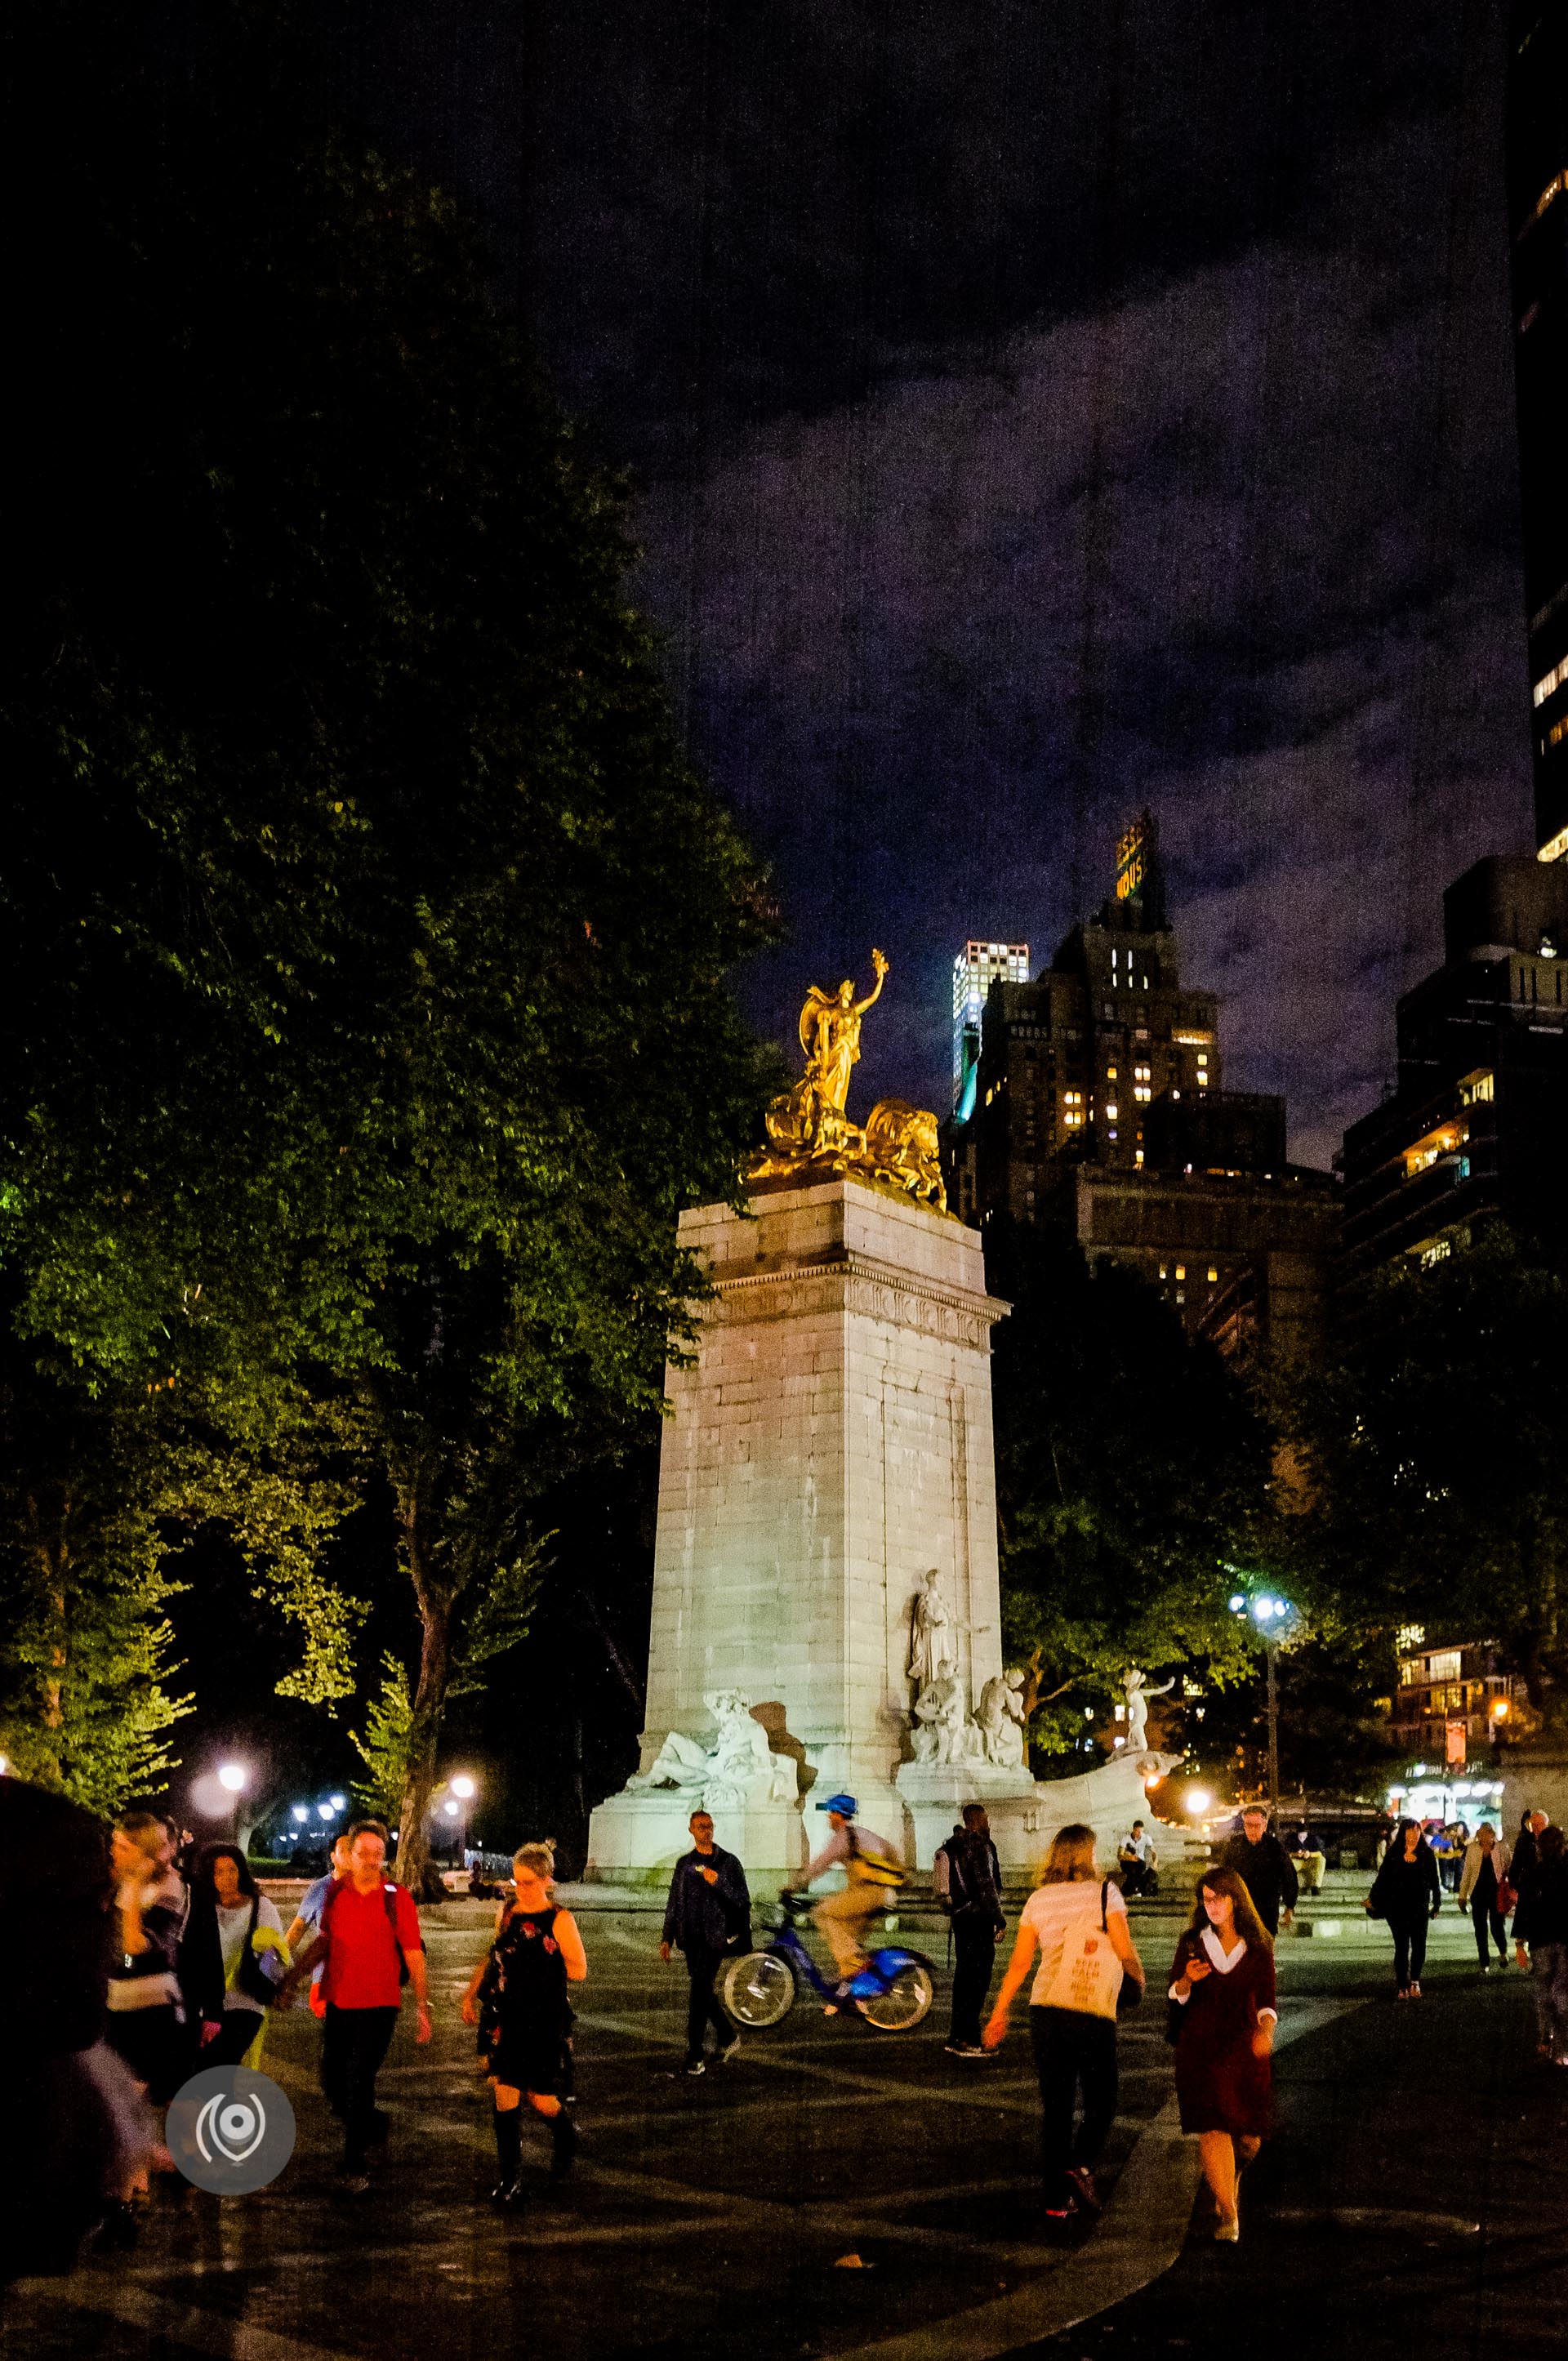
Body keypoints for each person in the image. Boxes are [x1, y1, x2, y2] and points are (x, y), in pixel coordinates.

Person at [982, 1823, 1146, 2225]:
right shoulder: (1106, 1892)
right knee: (1102, 2099)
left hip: (1047, 2007)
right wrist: (1138, 1977)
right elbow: (1123, 1948)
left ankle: (1056, 2201)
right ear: (1086, 1855)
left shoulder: (1038, 1900)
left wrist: (999, 2011)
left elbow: (1021, 1962)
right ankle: (1082, 2164)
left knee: (1056, 2110)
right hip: (1089, 2007)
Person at [277, 1818, 430, 2194]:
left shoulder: (397, 1896)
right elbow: (323, 1941)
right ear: (350, 1854)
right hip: (339, 2000)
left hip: (380, 2004)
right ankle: (372, 2124)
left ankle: (354, 2163)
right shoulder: (335, 1892)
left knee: (360, 2079)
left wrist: (423, 2007)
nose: (372, 1861)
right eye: (364, 1854)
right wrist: (293, 1977)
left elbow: (413, 1952)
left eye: (378, 1854)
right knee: (332, 2080)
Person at [462, 1842, 587, 2201]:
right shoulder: (508, 1913)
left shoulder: (560, 1919)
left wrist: (542, 1969)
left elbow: (579, 1970)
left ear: (547, 1880)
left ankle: (565, 2136)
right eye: (517, 1882)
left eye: (529, 1882)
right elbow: (493, 1956)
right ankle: (510, 2178)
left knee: (541, 2097)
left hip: (543, 2020)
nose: (522, 1889)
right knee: (505, 2095)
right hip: (505, 2017)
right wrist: (470, 1994)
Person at [1168, 1868, 1276, 2243]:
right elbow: (1175, 1992)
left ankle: (1232, 2175)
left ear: (1236, 1900)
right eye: (1206, 1899)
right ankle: (1228, 2213)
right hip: (1200, 2048)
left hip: (1243, 2050)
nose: (1212, 1906)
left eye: (1219, 1898)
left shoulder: (1259, 1947)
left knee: (1249, 2138)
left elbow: (1267, 2001)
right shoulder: (1193, 1943)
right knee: (1212, 2126)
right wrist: (1186, 1982)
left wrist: (1266, 2031)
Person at [105, 1811, 191, 2109]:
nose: (114, 1851)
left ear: (147, 1853)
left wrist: (133, 1886)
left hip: (150, 2006)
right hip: (119, 2001)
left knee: (128, 2102)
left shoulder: (168, 1887)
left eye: (124, 1847)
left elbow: (134, 1945)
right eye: (114, 1843)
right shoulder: (119, 1881)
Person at [180, 1845, 290, 2069]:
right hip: (209, 2004)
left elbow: (278, 1952)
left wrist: (282, 1982)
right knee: (206, 2070)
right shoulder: (199, 1909)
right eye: (218, 1872)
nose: (227, 1878)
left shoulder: (260, 1906)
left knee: (222, 2063)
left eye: (232, 1870)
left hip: (246, 2000)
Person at [660, 1809, 750, 2075]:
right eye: (700, 1826)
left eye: (709, 1826)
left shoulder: (728, 1863)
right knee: (703, 1993)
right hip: (690, 1939)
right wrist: (667, 1937)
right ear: (691, 1830)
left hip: (715, 1940)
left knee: (697, 1995)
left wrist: (719, 1882)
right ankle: (727, 2036)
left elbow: (742, 1899)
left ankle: (695, 2054)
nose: (706, 1830)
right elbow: (675, 1902)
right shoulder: (685, 1865)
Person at [791, 1793, 903, 1996]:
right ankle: (847, 1993)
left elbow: (821, 1864)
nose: (828, 1818)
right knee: (846, 1937)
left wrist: (794, 1884)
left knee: (822, 1912)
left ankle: (855, 1966)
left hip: (868, 1893)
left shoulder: (844, 1836)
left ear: (837, 1814)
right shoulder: (863, 1833)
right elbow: (892, 1851)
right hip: (879, 1893)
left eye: (830, 1813)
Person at [934, 1805, 1005, 2057]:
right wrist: (999, 1919)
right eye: (986, 1818)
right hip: (979, 1919)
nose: (989, 1822)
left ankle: (956, 2036)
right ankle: (970, 2040)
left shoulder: (952, 1844)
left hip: (960, 1918)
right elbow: (988, 1887)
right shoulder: (980, 1846)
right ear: (977, 1820)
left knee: (963, 1979)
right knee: (978, 1981)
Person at [1365, 1816, 1441, 1998]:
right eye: (1410, 1831)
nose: (1414, 1834)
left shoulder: (1427, 1854)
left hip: (1419, 1907)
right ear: (1403, 1833)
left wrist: (1437, 1903)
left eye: (1417, 1831)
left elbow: (1434, 1882)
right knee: (1401, 1947)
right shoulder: (1394, 1854)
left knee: (1419, 1946)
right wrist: (1372, 1899)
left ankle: (1415, 1981)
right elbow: (1382, 1880)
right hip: (1397, 1908)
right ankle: (1402, 1985)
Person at [1513, 1822, 1568, 2065]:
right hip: (1565, 1939)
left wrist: (1519, 1943)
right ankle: (1562, 2050)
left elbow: (1523, 1909)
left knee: (1543, 1989)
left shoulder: (1533, 1874)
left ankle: (1546, 2035)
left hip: (1540, 1939)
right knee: (1562, 1992)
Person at [283, 1829, 352, 2019]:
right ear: (333, 1857)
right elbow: (297, 1929)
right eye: (344, 1850)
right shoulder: (320, 1889)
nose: (350, 1855)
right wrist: (279, 1965)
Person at [1218, 1807, 1298, 1936]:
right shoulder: (1234, 1846)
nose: (1252, 1830)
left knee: (1264, 1948)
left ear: (1264, 1825)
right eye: (1249, 1825)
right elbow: (1222, 1875)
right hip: (1239, 1907)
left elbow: (1288, 1876)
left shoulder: (1275, 1847)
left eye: (1257, 1826)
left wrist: (1290, 1905)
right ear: (1244, 1825)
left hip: (1267, 1908)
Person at [1456, 1822, 1511, 1974]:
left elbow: (1509, 1868)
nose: (1482, 1837)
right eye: (1480, 1834)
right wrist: (1462, 1895)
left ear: (1492, 1834)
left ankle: (1503, 1952)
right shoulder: (1473, 1849)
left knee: (1497, 1925)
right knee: (1480, 1928)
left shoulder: (1501, 1849)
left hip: (1496, 1893)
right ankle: (1484, 1961)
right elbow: (1467, 1873)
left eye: (1486, 1833)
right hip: (1478, 1893)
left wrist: (1511, 1891)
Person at [1116, 1821, 1159, 1899]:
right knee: (1133, 1871)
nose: (1139, 1834)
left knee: (1141, 1867)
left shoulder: (1146, 1838)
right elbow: (1119, 1856)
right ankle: (1135, 1889)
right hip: (1127, 1862)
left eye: (1141, 1832)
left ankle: (1132, 1889)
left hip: (1139, 1863)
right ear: (1133, 1830)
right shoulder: (1126, 1839)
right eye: (1137, 1831)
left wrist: (1155, 1862)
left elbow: (1154, 1852)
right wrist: (1129, 1858)